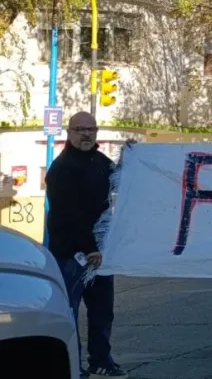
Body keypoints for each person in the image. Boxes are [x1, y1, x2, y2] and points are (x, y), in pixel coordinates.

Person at [45, 111, 128, 378]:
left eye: (90, 129)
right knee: (69, 312)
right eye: (80, 129)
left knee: (102, 311)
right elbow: (69, 215)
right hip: (72, 254)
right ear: (69, 133)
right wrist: (89, 247)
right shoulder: (63, 168)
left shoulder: (99, 161)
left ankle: (100, 360)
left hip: (99, 253)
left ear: (97, 132)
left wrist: (132, 157)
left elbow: (120, 178)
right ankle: (72, 366)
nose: (86, 134)